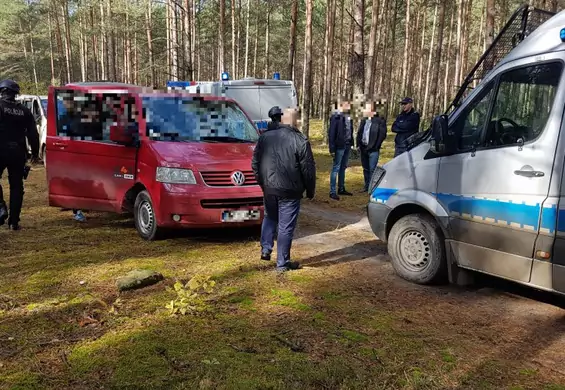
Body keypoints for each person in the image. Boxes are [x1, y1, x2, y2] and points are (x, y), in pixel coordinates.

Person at [252, 107, 316, 273]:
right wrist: (310, 190)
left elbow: (255, 164)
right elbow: (308, 169)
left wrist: (263, 183)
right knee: (285, 227)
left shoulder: (264, 137)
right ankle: (282, 263)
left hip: (270, 189)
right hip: (290, 191)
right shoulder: (300, 140)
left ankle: (266, 249)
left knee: (270, 217)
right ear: (296, 121)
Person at [0, 79, 39, 230]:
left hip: (0, 150)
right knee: (16, 187)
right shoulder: (24, 111)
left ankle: (1, 207)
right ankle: (14, 222)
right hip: (18, 152)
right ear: (15, 94)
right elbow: (33, 135)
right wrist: (34, 154)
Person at [356, 101, 387, 193]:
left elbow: (382, 135)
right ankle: (366, 187)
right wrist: (358, 144)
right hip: (363, 148)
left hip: (373, 149)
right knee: (365, 169)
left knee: (372, 169)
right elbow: (359, 133)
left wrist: (376, 146)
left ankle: (372, 189)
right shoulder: (364, 120)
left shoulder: (380, 120)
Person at [328, 97, 354, 201]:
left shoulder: (349, 117)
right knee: (336, 168)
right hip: (339, 146)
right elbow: (331, 133)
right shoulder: (336, 117)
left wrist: (352, 143)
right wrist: (332, 149)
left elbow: (350, 131)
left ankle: (341, 188)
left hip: (347, 145)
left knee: (343, 167)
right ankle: (332, 191)